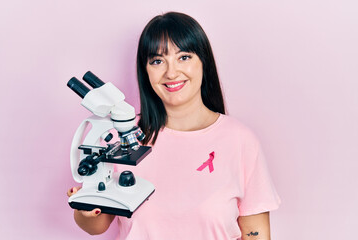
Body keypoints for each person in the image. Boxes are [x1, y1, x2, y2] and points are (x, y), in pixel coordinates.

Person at [67, 11, 280, 239]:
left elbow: (255, 234)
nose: (171, 72)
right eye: (158, 61)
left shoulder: (241, 141)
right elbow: (96, 226)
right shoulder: (119, 138)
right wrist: (85, 210)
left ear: (203, 62)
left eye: (184, 57)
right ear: (145, 70)